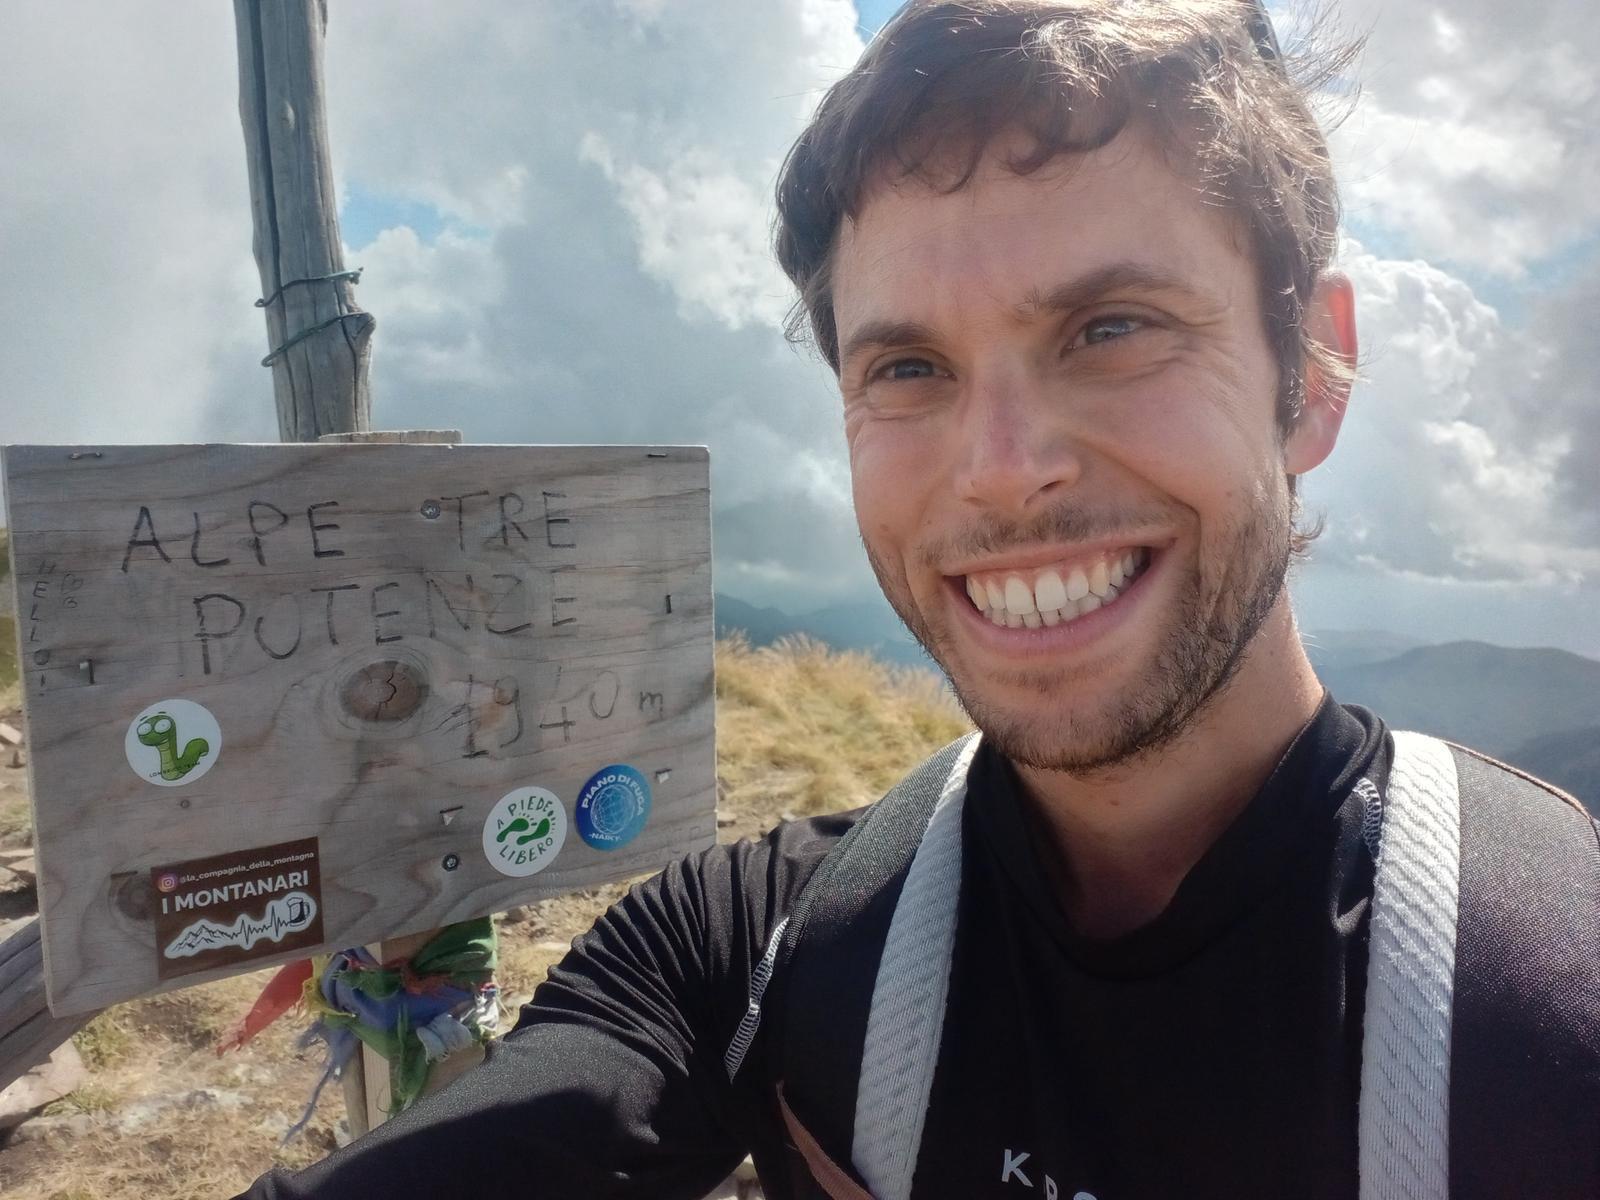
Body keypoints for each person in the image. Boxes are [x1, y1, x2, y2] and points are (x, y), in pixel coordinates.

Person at [239, 2, 1600, 1197]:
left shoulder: (1556, 996)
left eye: (1111, 328)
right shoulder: (771, 945)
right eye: (907, 370)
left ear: (1315, 373)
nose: (1003, 474)